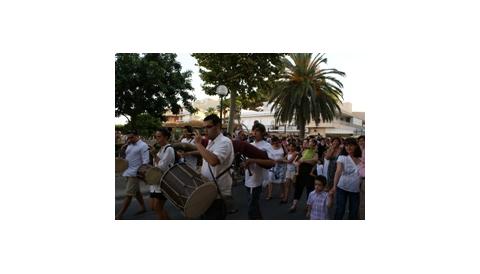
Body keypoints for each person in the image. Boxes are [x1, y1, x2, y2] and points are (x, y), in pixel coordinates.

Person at [193, 114, 235, 219]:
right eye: (204, 127)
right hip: (209, 190)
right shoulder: (211, 142)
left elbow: (213, 161)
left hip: (218, 193)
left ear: (218, 126)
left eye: (208, 127)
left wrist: (198, 144)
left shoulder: (225, 142)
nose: (205, 130)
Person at [242, 123, 276, 219]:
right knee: (254, 206)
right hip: (248, 178)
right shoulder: (250, 144)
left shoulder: (267, 145)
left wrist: (253, 160)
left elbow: (272, 162)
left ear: (263, 133)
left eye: (257, 131)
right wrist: (244, 164)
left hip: (257, 180)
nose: (254, 132)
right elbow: (247, 159)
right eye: (253, 130)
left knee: (251, 207)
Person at [115, 130, 149, 220]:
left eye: (131, 137)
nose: (129, 139)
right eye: (128, 137)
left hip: (135, 173)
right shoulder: (129, 145)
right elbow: (124, 157)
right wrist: (124, 147)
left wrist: (143, 172)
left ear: (137, 136)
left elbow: (146, 161)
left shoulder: (143, 146)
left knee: (129, 194)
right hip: (127, 171)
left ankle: (120, 214)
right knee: (137, 192)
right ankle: (143, 207)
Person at [330, 138, 363, 220]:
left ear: (356, 146)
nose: (348, 147)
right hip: (342, 187)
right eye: (346, 145)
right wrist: (334, 186)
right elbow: (338, 171)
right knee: (340, 210)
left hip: (356, 189)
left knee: (353, 212)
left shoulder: (361, 158)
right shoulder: (342, 157)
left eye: (351, 145)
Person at [149, 128, 175, 220]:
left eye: (159, 137)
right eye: (156, 137)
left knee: (157, 207)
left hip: (164, 182)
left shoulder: (169, 149)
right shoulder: (161, 149)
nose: (157, 139)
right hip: (156, 182)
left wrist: (154, 155)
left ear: (166, 137)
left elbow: (162, 167)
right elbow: (156, 165)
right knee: (154, 207)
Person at [289, 138, 318, 213]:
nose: (304, 144)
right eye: (304, 142)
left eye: (307, 143)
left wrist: (304, 160)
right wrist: (298, 163)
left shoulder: (314, 152)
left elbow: (314, 162)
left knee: (309, 190)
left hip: (309, 174)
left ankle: (307, 206)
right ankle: (294, 205)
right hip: (301, 173)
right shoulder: (302, 152)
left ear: (311, 144)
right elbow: (294, 162)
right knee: (298, 189)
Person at [265, 136, 287, 201]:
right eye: (274, 142)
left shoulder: (282, 146)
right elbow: (268, 156)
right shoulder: (270, 147)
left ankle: (282, 193)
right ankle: (269, 194)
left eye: (276, 142)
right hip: (273, 165)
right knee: (270, 179)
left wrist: (283, 159)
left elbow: (287, 154)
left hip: (282, 165)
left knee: (281, 180)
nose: (275, 144)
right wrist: (274, 160)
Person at [357, 135, 365, 220]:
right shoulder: (358, 151)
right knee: (361, 201)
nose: (362, 142)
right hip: (359, 178)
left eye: (363, 140)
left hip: (363, 178)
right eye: (360, 141)